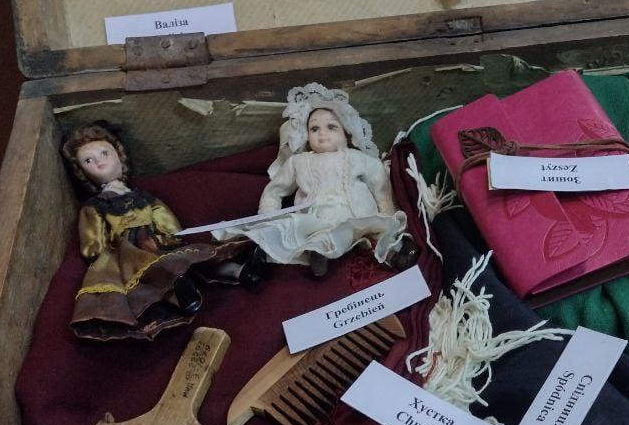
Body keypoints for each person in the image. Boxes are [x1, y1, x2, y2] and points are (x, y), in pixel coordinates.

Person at [62, 123, 264, 340]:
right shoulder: (96, 206)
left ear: (118, 156)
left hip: (156, 241)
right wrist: (103, 250)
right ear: (82, 173)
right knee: (154, 274)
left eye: (104, 153)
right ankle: (182, 296)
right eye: (88, 160)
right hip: (129, 254)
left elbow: (164, 218)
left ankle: (240, 271)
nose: (99, 161)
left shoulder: (143, 197)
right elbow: (92, 245)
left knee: (191, 258)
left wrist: (172, 234)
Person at [220, 83, 418, 277]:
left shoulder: (357, 158)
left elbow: (380, 185)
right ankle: (318, 255)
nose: (322, 133)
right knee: (309, 233)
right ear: (305, 136)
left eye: (331, 127)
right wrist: (268, 216)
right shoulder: (298, 162)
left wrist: (387, 212)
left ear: (346, 133)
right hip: (319, 221)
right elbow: (275, 190)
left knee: (380, 233)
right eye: (314, 128)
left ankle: (396, 255)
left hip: (360, 216)